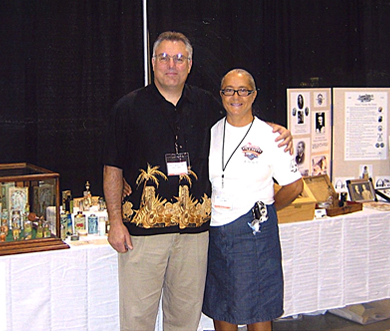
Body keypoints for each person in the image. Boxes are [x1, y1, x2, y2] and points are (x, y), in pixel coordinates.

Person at [102, 31, 293, 331]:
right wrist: (115, 220)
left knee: (185, 319)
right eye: (164, 58)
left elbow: (241, 117)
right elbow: (112, 167)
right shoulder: (128, 108)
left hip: (195, 237)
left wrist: (274, 131)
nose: (171, 65)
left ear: (190, 64)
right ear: (153, 63)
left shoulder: (207, 105)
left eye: (179, 59)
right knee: (137, 319)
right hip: (143, 237)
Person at [203, 68, 304, 331]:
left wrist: (266, 207)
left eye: (243, 90)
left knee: (259, 307)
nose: (236, 96)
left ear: (254, 94)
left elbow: (294, 185)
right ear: (221, 94)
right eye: (229, 90)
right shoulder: (211, 132)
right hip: (217, 230)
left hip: (254, 233)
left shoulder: (271, 136)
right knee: (222, 303)